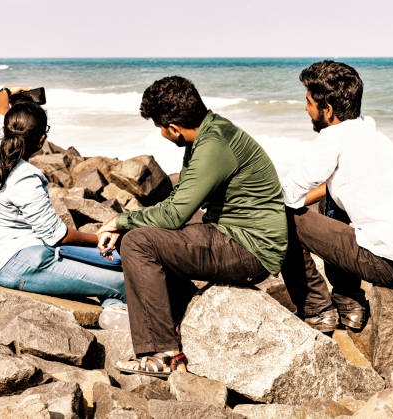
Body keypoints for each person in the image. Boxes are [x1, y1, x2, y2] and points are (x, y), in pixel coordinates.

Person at [97, 76, 288, 377]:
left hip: (248, 249)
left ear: (173, 127)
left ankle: (163, 354)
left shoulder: (213, 146)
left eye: (159, 127)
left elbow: (175, 215)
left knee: (137, 243)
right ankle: (177, 317)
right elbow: (179, 200)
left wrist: (120, 220)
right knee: (140, 237)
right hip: (233, 236)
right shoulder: (209, 132)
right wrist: (127, 225)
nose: (161, 133)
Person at [281, 61, 393, 333]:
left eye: (308, 102)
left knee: (282, 218)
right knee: (327, 201)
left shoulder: (333, 140)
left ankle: (316, 310)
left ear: (327, 110)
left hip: (383, 264)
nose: (305, 109)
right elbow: (326, 189)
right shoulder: (366, 130)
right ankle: (350, 305)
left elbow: (287, 195)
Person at [0, 87, 127, 328]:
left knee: (117, 259)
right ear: (42, 139)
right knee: (125, 282)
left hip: (17, 249)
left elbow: (0, 111)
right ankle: (119, 314)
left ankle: (115, 308)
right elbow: (58, 236)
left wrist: (6, 92)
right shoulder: (25, 177)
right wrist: (98, 238)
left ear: (7, 128)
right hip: (15, 263)